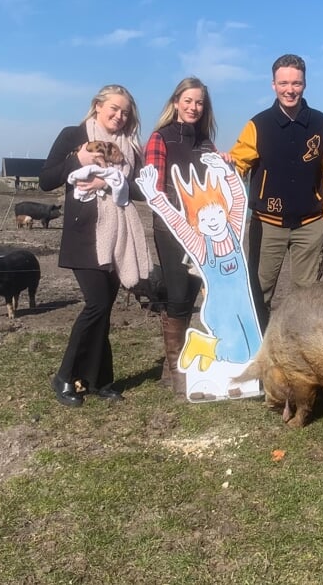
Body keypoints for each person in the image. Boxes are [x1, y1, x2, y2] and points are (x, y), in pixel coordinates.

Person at [141, 77, 258, 394]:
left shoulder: (206, 143)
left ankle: (188, 364)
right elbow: (155, 181)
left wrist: (227, 166)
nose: (194, 107)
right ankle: (177, 373)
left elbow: (216, 190)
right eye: (188, 101)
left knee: (195, 293)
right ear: (176, 102)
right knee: (179, 297)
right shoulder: (160, 138)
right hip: (173, 231)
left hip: (206, 234)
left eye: (200, 102)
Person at [39, 84, 149, 407]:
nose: (120, 116)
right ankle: (64, 376)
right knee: (97, 303)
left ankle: (99, 380)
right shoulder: (73, 135)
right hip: (85, 233)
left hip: (119, 235)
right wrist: (78, 159)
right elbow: (46, 180)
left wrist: (111, 181)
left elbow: (140, 189)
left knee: (104, 309)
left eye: (125, 112)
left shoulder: (131, 146)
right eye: (114, 108)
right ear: (97, 106)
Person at [230, 53, 323, 327]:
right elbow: (236, 167)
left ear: (304, 84)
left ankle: (302, 355)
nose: (289, 90)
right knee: (258, 292)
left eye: (296, 83)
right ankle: (258, 355)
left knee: (307, 297)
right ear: (273, 85)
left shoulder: (321, 124)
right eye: (283, 83)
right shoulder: (258, 125)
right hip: (267, 224)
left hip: (310, 225)